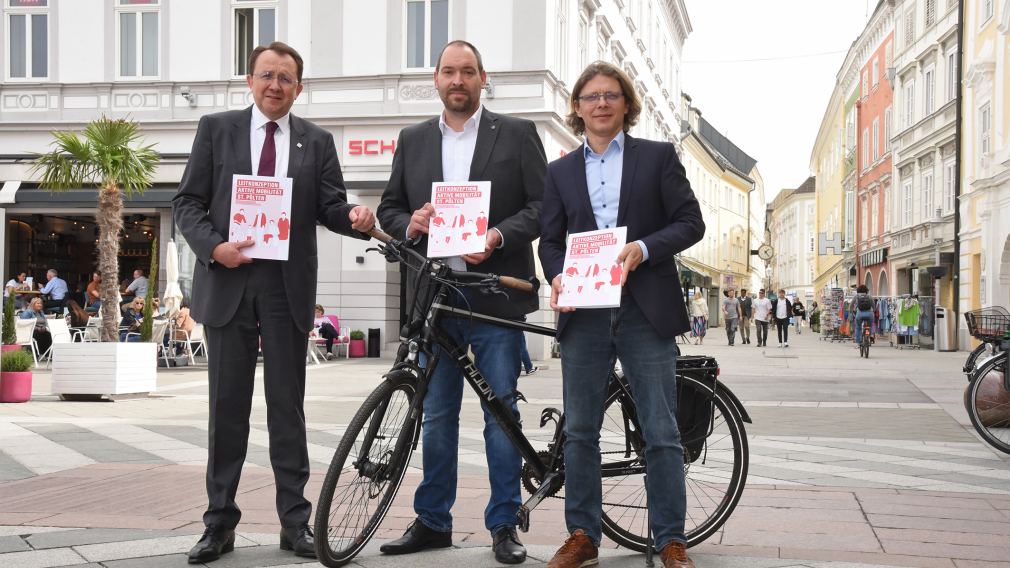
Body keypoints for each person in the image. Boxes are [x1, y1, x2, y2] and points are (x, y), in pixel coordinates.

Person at [173, 41, 376, 564]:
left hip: (286, 290)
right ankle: (218, 524)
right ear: (250, 80)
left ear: (299, 88)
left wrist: (354, 217)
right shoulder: (216, 130)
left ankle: (295, 523)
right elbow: (187, 202)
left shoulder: (317, 141)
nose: (275, 86)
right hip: (229, 282)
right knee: (227, 409)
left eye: (286, 78)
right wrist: (214, 248)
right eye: (267, 75)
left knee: (288, 408)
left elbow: (329, 206)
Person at [375, 40, 545, 565]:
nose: (458, 80)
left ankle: (503, 524)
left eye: (467, 72)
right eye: (449, 71)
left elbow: (543, 208)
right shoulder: (413, 138)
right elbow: (390, 208)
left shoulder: (517, 135)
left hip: (493, 298)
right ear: (436, 79)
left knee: (501, 415)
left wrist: (496, 236)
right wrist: (411, 224)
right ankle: (433, 521)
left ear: (482, 78)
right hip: (436, 299)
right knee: (437, 412)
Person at [538, 61, 704, 568]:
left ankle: (670, 538)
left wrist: (645, 248)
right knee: (580, 430)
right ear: (578, 108)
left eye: (611, 95)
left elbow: (690, 222)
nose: (601, 103)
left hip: (643, 307)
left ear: (626, 105)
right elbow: (549, 243)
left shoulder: (656, 157)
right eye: (591, 97)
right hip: (584, 312)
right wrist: (557, 276)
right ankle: (583, 535)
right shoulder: (559, 170)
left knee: (661, 427)